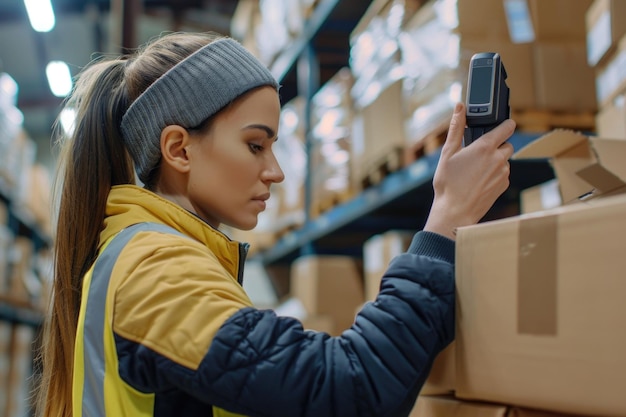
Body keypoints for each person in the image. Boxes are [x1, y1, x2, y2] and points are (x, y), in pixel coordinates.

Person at [36, 31, 515, 417]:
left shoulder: (156, 258)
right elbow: (349, 392)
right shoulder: (157, 271)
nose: (276, 171)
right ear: (178, 148)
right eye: (254, 145)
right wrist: (446, 218)